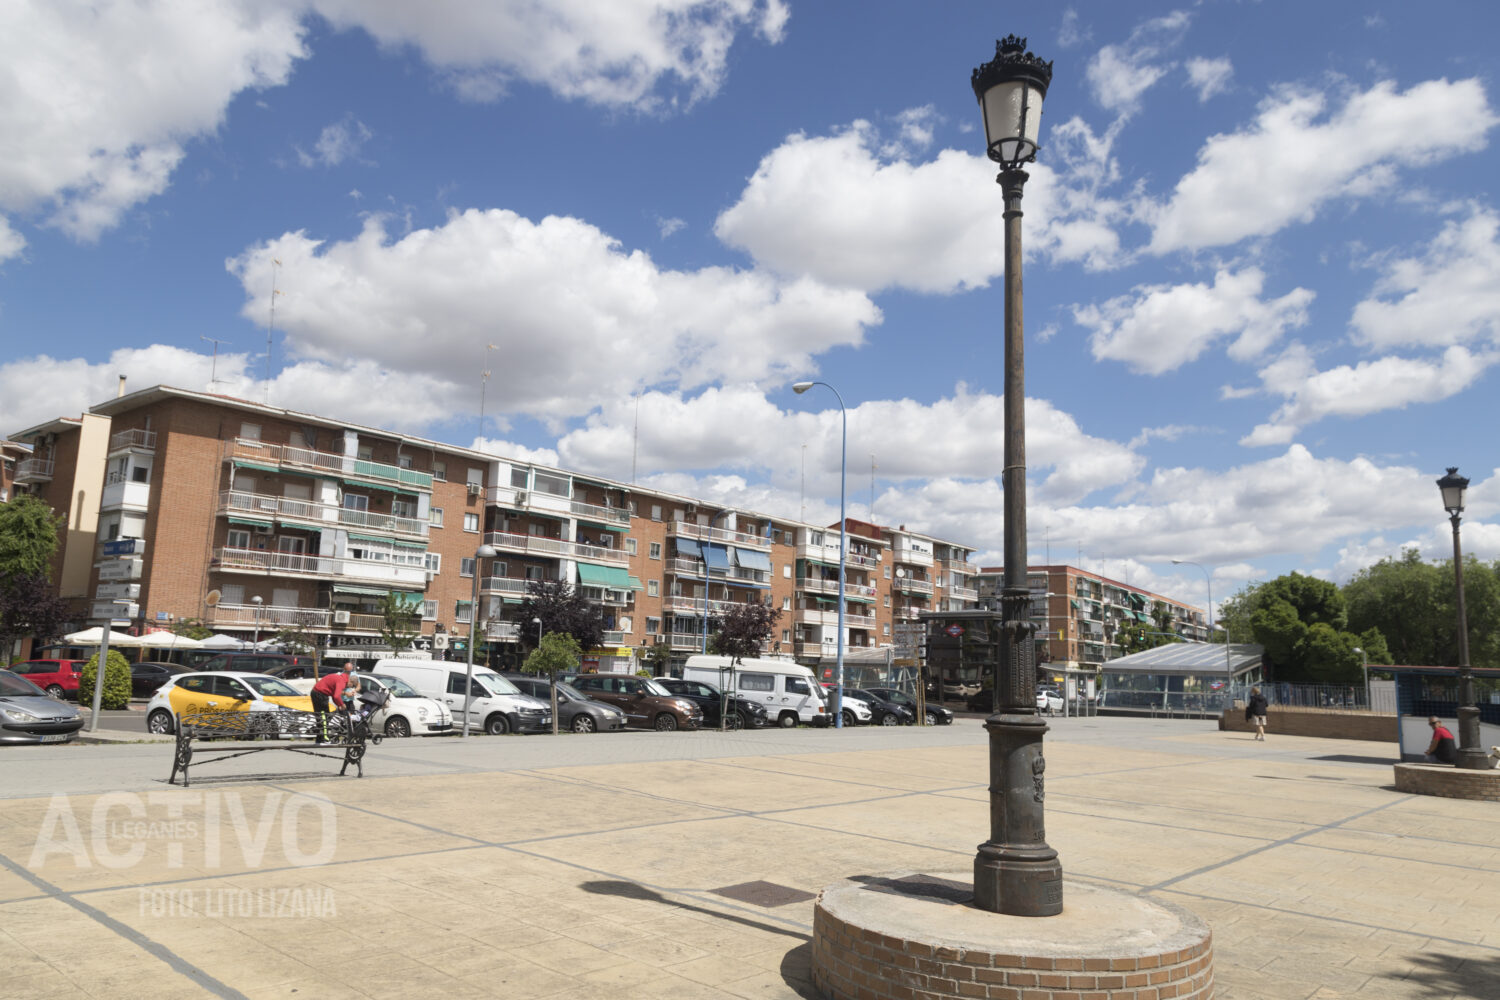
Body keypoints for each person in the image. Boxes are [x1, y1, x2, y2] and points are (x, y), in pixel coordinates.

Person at [311, 663, 359, 744]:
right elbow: (336, 696)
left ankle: (319, 738)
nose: (349, 688)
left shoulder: (339, 678)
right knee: (324, 716)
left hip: (316, 693)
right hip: (320, 694)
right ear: (350, 682)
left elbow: (334, 695)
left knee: (321, 716)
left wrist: (339, 705)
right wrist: (342, 704)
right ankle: (324, 739)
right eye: (351, 686)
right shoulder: (342, 681)